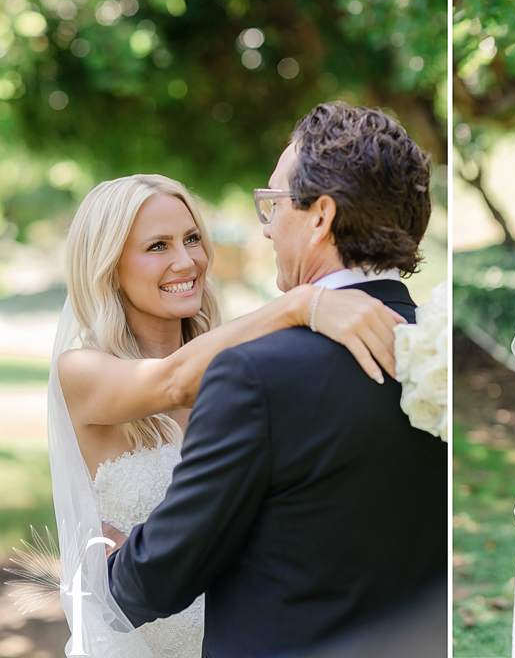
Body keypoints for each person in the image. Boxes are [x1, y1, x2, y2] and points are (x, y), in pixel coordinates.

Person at [104, 102, 447, 657]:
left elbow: (156, 580)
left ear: (320, 218)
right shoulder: (438, 345)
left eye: (274, 204)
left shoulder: (255, 374)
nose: (266, 230)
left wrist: (110, 568)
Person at [49, 173, 403, 656]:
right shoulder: (81, 371)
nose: (186, 260)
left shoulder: (248, 365)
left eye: (192, 238)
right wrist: (300, 304)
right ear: (109, 266)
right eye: (158, 245)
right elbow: (171, 380)